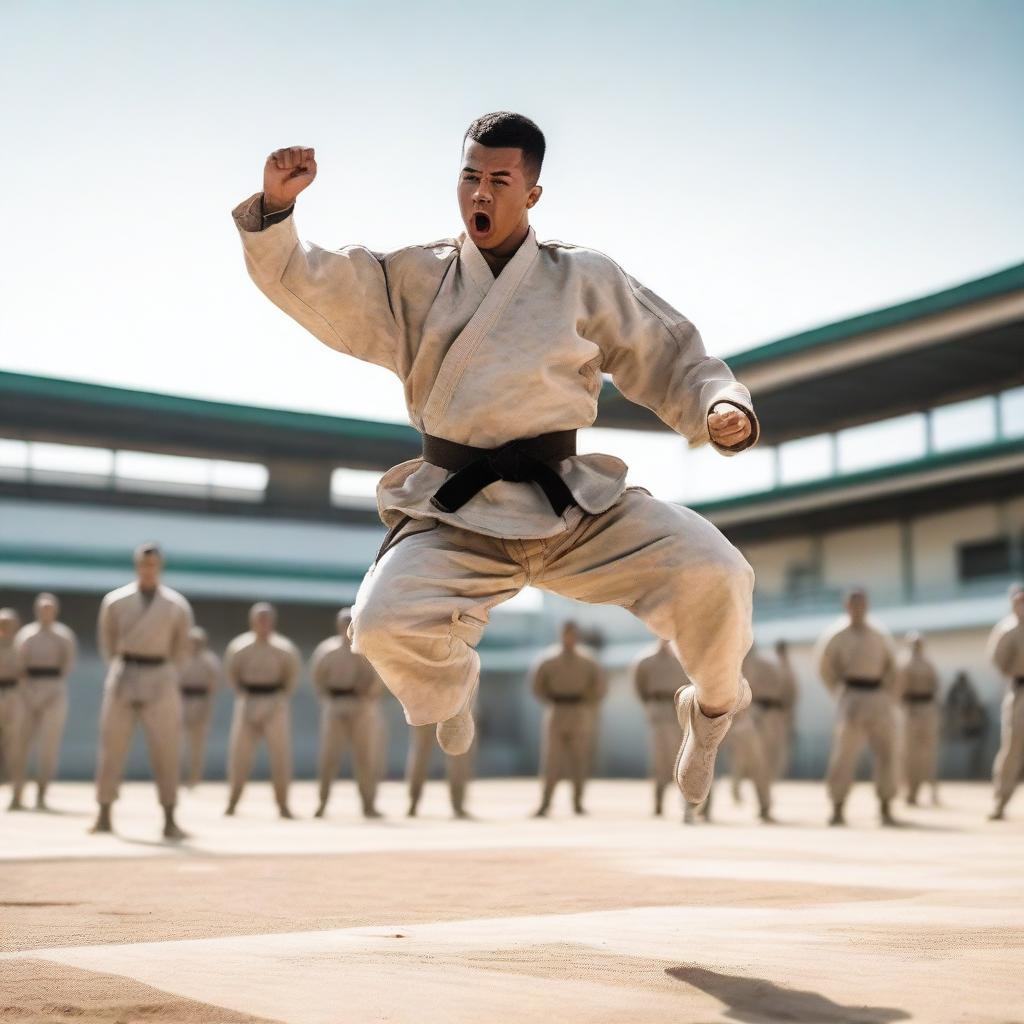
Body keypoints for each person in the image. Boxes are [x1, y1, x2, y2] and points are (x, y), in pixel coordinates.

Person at [232, 112, 759, 808]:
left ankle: (712, 712)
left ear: (533, 193)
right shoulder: (417, 277)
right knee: (380, 623)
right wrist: (276, 209)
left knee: (718, 571)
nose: (480, 194)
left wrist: (720, 404)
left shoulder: (583, 277)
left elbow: (669, 351)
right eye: (470, 178)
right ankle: (451, 688)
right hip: (458, 506)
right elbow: (315, 281)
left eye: (499, 181)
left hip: (573, 504)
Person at [91, 543, 193, 839]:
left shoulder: (176, 605)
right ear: (137, 565)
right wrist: (123, 664)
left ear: (159, 567)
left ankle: (169, 815)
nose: (148, 569)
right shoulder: (115, 601)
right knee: (112, 745)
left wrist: (165, 670)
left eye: (153, 564)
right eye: (143, 564)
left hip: (160, 674)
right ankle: (104, 812)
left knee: (167, 748)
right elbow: (107, 642)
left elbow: (182, 647)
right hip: (125, 672)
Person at [816, 588, 898, 826]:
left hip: (878, 696)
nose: (858, 608)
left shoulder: (879, 634)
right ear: (847, 606)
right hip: (851, 696)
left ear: (868, 605)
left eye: (862, 603)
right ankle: (838, 806)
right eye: (854, 604)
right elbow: (825, 667)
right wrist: (838, 691)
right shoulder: (836, 635)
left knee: (886, 751)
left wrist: (888, 694)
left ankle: (886, 805)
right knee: (844, 754)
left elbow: (892, 666)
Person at [224, 603, 300, 819]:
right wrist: (244, 694)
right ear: (252, 621)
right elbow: (232, 674)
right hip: (248, 701)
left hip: (274, 702)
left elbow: (291, 677)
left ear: (273, 622)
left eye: (267, 619)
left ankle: (283, 804)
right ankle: (233, 801)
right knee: (239, 754)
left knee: (280, 756)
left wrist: (279, 696)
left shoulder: (284, 649)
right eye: (259, 618)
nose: (263, 623)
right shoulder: (239, 647)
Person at [311, 608, 383, 819]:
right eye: (344, 623)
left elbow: (377, 678)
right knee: (329, 757)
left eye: (351, 623)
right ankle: (322, 802)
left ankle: (368, 804)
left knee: (365, 757)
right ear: (338, 626)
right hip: (336, 704)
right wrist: (328, 698)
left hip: (360, 706)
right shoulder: (327, 651)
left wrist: (368, 695)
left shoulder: (367, 650)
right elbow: (317, 678)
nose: (347, 628)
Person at [531, 621, 606, 817]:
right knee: (551, 760)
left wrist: (587, 702)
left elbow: (599, 687)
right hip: (557, 710)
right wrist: (551, 699)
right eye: (566, 633)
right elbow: (537, 686)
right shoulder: (548, 660)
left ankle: (578, 803)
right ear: (561, 634)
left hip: (579, 711)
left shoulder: (588, 661)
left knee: (579, 759)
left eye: (572, 634)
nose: (569, 637)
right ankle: (545, 803)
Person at [13, 593, 77, 810]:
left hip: (54, 688)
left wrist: (51, 683)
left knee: (49, 745)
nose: (46, 613)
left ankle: (42, 792)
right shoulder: (26, 635)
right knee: (20, 743)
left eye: (49, 608)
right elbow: (18, 663)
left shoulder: (63, 636)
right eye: (42, 608)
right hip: (28, 689)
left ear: (55, 611)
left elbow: (68, 664)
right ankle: (17, 793)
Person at [632, 639, 686, 816]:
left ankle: (689, 806)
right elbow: (639, 686)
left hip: (680, 711)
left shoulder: (684, 658)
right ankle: (659, 802)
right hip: (659, 712)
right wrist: (651, 705)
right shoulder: (646, 660)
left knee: (684, 760)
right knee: (661, 760)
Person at [987, 584, 1024, 821]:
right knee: (1012, 747)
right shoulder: (1007, 630)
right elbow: (998, 661)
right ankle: (1001, 800)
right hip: (1020, 691)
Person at [895, 632, 940, 806]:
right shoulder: (903, 663)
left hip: (927, 708)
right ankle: (910, 791)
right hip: (910, 708)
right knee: (909, 752)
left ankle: (932, 789)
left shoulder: (928, 664)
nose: (917, 646)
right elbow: (898, 688)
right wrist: (905, 706)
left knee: (928, 751)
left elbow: (935, 685)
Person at [178, 626, 221, 788]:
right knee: (178, 743)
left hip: (201, 701)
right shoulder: (180, 659)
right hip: (182, 701)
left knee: (197, 744)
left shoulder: (209, 660)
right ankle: (178, 777)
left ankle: (194, 778)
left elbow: (215, 683)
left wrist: (206, 704)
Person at [406, 723, 474, 819]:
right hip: (453, 710)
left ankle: (413, 802)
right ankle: (458, 804)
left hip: (425, 710)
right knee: (457, 751)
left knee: (421, 749)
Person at [0, 608, 26, 812]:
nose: (5, 628)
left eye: (8, 624)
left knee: (15, 745)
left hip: (14, 695)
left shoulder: (23, 646)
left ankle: (17, 794)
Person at [942, 670, 988, 778]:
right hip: (955, 729)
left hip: (970, 729)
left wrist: (969, 718)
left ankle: (973, 774)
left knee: (971, 753)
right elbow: (949, 708)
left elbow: (975, 708)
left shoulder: (970, 691)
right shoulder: (953, 691)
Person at [774, 639, 799, 777]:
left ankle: (779, 775)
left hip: (784, 711)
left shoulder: (787, 669)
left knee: (782, 746)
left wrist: (788, 711)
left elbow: (793, 693)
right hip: (774, 712)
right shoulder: (777, 666)